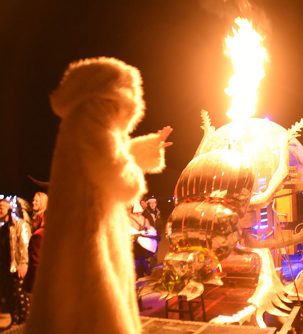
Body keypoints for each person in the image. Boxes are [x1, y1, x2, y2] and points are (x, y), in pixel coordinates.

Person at [27, 57, 173, 334]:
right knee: (92, 308)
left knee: (71, 307)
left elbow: (109, 154)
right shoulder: (94, 114)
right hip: (88, 232)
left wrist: (148, 146)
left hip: (89, 226)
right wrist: (136, 169)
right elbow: (118, 174)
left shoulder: (84, 116)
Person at [0, 198, 31, 326]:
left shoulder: (20, 224)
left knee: (20, 298)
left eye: (1, 206)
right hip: (5, 270)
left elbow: (25, 245)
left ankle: (25, 325)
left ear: (9, 208)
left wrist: (23, 264)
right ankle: (15, 323)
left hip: (16, 268)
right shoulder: (3, 229)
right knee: (10, 299)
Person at [24, 192, 48, 294]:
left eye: (36, 200)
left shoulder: (42, 219)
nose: (33, 202)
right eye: (33, 200)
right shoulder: (35, 218)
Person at [129, 203, 157, 278]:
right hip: (143, 242)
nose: (138, 213)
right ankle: (146, 272)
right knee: (141, 257)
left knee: (137, 258)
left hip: (135, 242)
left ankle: (141, 273)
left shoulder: (130, 219)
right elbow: (149, 229)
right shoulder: (145, 219)